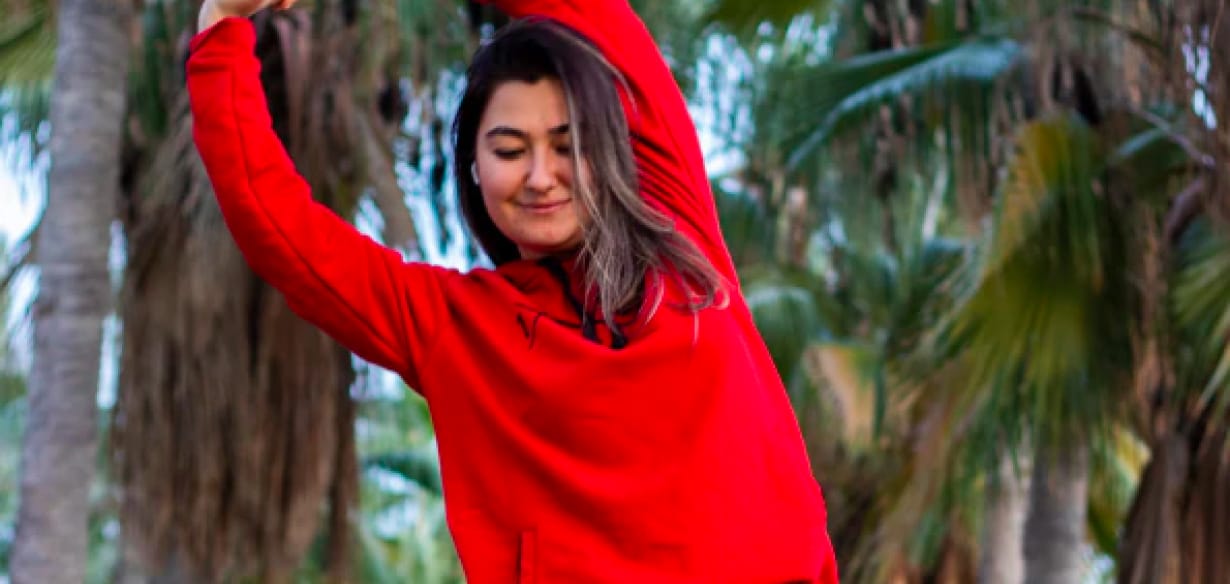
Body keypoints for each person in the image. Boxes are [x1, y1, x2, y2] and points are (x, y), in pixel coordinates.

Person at [188, 0, 839, 581]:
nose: (540, 176)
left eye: (567, 144)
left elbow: (594, 16)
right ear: (473, 165)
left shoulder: (680, 231)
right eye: (509, 149)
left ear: (608, 147)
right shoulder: (450, 325)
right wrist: (220, 28)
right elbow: (276, 221)